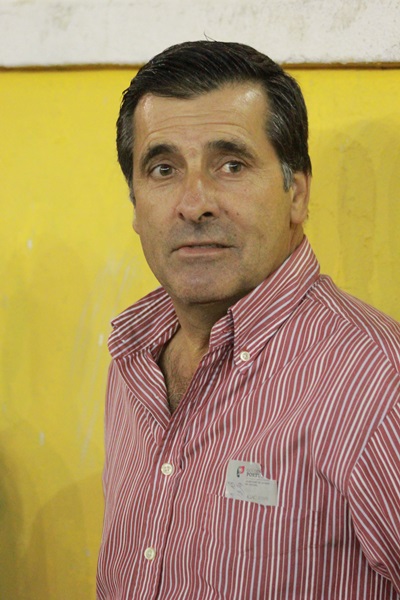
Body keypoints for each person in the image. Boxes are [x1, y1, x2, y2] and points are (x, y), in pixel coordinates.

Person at [97, 41, 400, 599]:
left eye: (231, 165)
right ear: (135, 204)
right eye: (163, 169)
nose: (194, 203)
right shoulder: (132, 361)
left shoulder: (376, 382)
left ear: (296, 193)